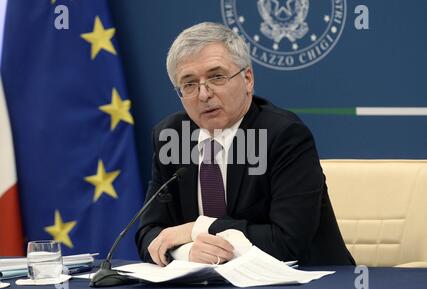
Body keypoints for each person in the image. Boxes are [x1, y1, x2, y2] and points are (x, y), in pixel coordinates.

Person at [135, 22, 355, 267]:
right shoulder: (172, 136)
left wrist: (198, 229)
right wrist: (185, 252)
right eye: (189, 84)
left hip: (308, 284)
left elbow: (287, 242)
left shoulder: (283, 135)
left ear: (248, 79)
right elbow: (150, 234)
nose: (204, 94)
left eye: (216, 77)